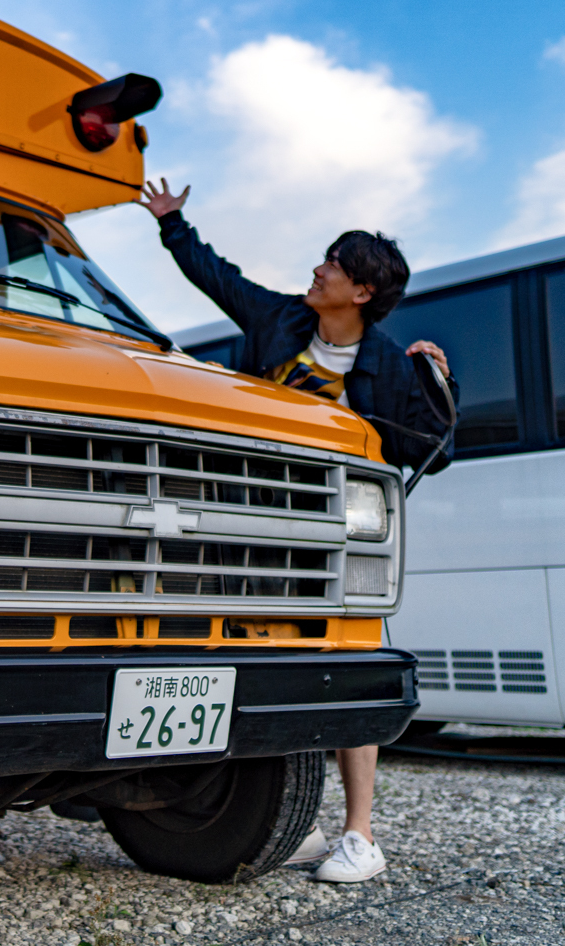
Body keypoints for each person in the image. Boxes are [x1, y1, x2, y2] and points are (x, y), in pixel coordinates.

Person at [137, 178, 457, 884]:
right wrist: (173, 223)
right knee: (248, 656)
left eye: (334, 265)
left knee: (347, 663)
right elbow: (217, 278)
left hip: (329, 539)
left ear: (362, 292)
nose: (318, 270)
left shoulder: (387, 365)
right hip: (246, 525)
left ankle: (359, 837)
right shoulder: (279, 322)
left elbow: (433, 450)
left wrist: (438, 380)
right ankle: (282, 818)